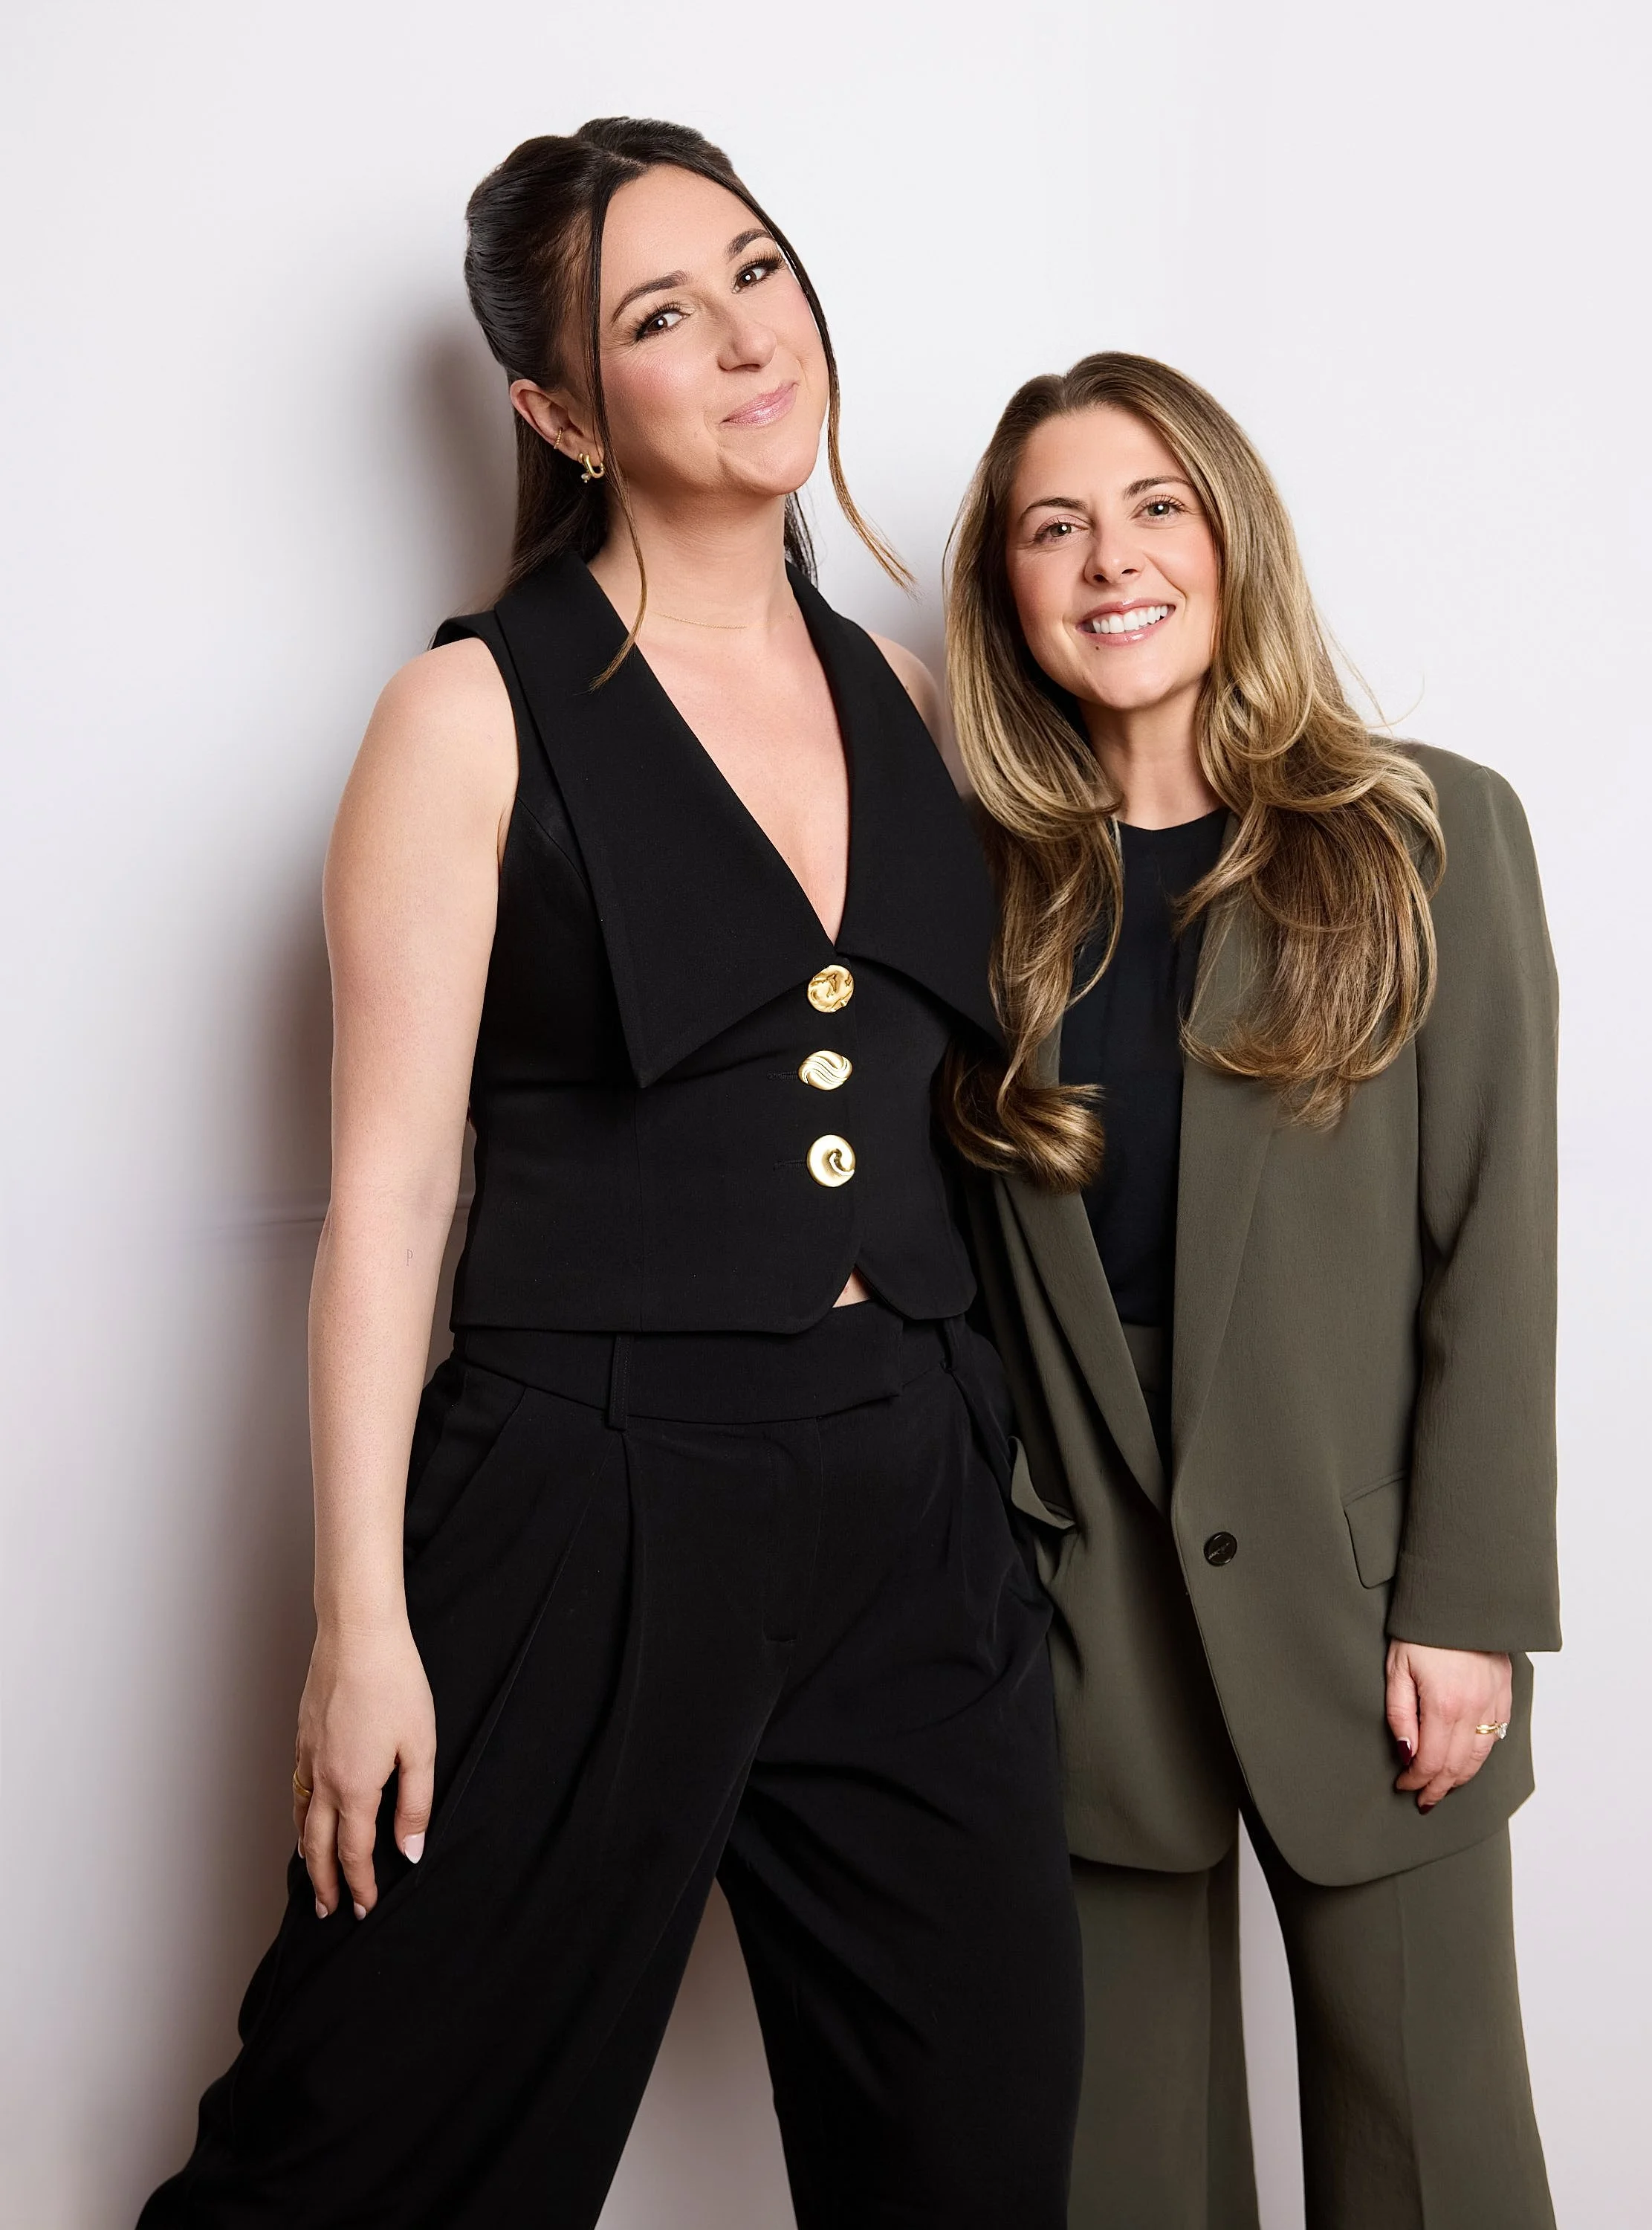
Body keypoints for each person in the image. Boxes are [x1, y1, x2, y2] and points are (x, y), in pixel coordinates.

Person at [140, 117, 1081, 2230]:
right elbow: (392, 1204)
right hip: (589, 1496)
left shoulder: (909, 695)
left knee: (977, 2159)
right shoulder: (468, 713)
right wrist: (360, 1626)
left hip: (916, 1497)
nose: (749, 336)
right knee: (370, 2158)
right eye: (663, 315)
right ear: (561, 413)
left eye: (757, 269)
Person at [944, 352, 1559, 2230]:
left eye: (1158, 508)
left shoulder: (1429, 834)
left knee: (1440, 2161)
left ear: (1233, 539)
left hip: (1370, 1608)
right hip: (1080, 1619)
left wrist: (1466, 1607)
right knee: (1116, 2176)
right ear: (1004, 590)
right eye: (1054, 527)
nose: (1111, 561)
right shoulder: (967, 894)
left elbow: (1497, 1245)